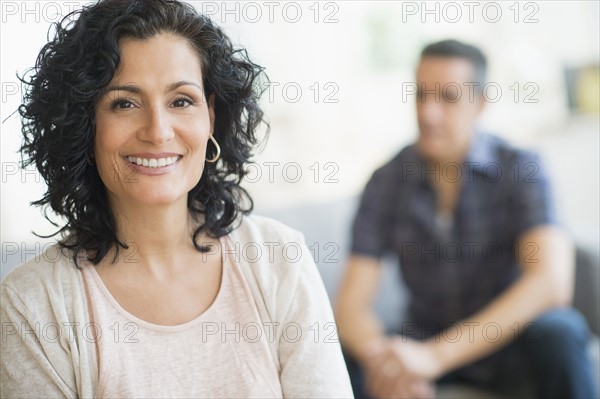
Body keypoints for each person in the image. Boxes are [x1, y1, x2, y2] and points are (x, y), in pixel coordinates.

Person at [0, 1, 354, 397]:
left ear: (211, 116)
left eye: (181, 101)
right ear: (85, 125)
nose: (158, 130)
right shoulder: (31, 305)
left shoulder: (278, 259)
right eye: (124, 103)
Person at [335, 39, 598, 399]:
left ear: (480, 103)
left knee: (561, 332)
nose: (428, 113)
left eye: (448, 97)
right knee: (338, 362)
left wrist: (435, 357)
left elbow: (551, 283)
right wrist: (386, 361)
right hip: (422, 337)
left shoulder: (521, 168)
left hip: (505, 340)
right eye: (421, 95)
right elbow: (351, 306)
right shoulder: (386, 181)